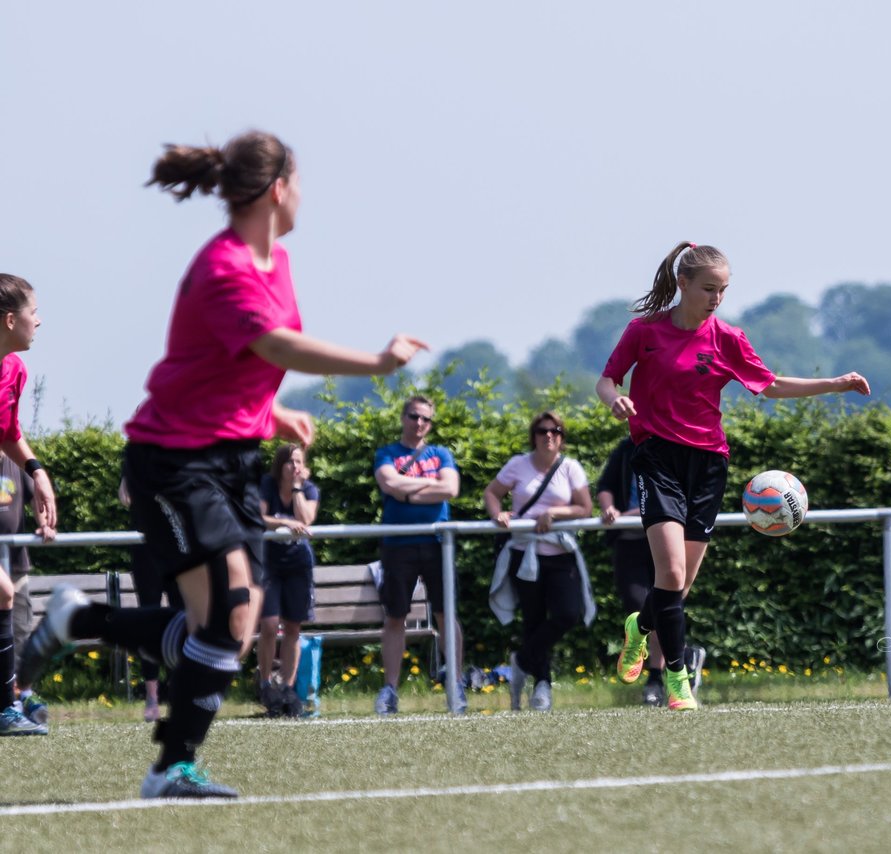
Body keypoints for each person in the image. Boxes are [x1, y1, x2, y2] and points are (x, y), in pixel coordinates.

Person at [18, 130, 427, 798]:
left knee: (228, 631)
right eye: (299, 182)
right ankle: (170, 767)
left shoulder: (277, 262)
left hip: (225, 461)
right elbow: (273, 343)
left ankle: (80, 623)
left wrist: (271, 419)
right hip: (175, 463)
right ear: (277, 189)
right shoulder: (225, 267)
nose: (303, 195)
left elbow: (228, 375)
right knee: (232, 609)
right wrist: (377, 363)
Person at [596, 242, 870, 711]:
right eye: (708, 288)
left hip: (707, 466)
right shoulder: (645, 332)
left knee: (676, 590)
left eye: (723, 290)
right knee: (672, 572)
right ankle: (677, 680)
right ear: (682, 284)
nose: (717, 298)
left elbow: (772, 384)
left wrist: (835, 384)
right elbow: (607, 379)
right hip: (657, 460)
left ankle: (638, 628)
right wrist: (614, 400)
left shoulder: (728, 338)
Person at [484, 411, 595, 712]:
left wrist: (556, 514)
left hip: (560, 554)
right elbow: (492, 493)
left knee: (567, 614)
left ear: (562, 437)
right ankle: (542, 684)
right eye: (543, 430)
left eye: (556, 430)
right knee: (532, 621)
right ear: (533, 435)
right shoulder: (518, 464)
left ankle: (520, 661)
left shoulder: (570, 467)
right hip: (525, 554)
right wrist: (499, 514)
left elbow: (585, 507)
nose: (550, 435)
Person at [597, 435, 705, 706]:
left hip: (663, 535)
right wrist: (609, 508)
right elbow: (606, 485)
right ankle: (677, 664)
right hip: (630, 542)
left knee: (668, 601)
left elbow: (675, 503)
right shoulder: (626, 448)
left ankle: (660, 676)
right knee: (641, 603)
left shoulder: (681, 446)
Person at [372, 395, 462, 715]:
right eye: (414, 416)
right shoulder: (387, 453)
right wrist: (426, 486)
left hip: (438, 542)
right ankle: (390, 690)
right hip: (398, 544)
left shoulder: (441, 453)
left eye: (426, 419)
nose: (420, 423)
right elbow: (388, 482)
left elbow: (450, 489)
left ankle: (455, 686)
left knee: (444, 614)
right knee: (395, 615)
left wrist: (406, 491)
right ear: (403, 417)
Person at [0, 275, 57, 737]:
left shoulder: (15, 370)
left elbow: (10, 432)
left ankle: (6, 707)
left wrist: (37, 472)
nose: (40, 320)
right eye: (34, 311)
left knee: (4, 593)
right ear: (10, 319)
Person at [256, 443, 319, 717]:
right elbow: (257, 517)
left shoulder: (309, 489)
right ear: (280, 464)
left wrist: (296, 490)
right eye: (290, 461)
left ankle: (288, 690)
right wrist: (284, 523)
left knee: (293, 627)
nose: (294, 467)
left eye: (299, 462)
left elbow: (306, 519)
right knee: (269, 625)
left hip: (298, 565)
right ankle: (266, 684)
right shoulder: (266, 485)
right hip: (268, 564)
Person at [118, 476, 184, 723]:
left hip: (177, 551)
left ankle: (179, 694)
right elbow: (125, 497)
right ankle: (152, 698)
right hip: (146, 553)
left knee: (182, 620)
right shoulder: (137, 459)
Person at [2, 449, 52, 733]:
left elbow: (37, 496)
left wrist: (43, 523)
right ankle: (7, 700)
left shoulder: (16, 462)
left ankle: (23, 695)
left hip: (16, 563)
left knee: (20, 630)